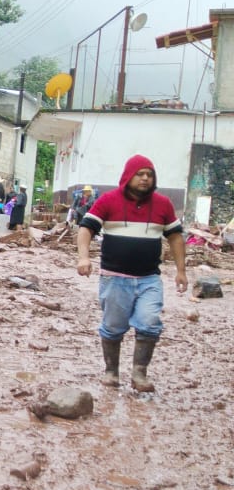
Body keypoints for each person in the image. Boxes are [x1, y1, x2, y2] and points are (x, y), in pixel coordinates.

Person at [77, 155, 187, 391]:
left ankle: (139, 374)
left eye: (150, 174)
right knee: (113, 326)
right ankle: (111, 372)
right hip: (115, 278)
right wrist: (83, 257)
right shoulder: (108, 200)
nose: (146, 178)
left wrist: (181, 271)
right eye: (140, 174)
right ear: (128, 176)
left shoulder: (163, 204)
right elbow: (86, 228)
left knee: (149, 322)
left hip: (149, 279)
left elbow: (176, 237)